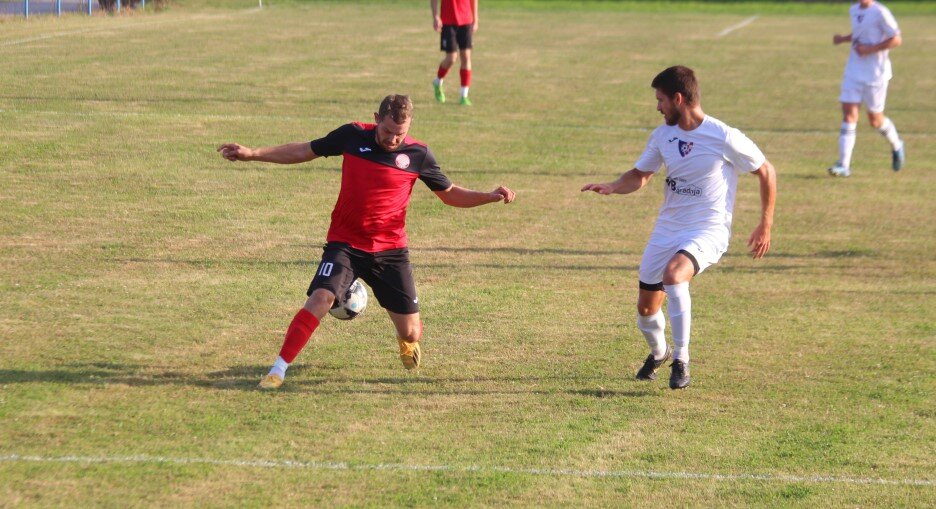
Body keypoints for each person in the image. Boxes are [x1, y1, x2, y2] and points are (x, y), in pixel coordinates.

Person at [218, 95, 516, 390]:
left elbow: (449, 193)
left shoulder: (418, 155)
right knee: (321, 298)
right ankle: (278, 370)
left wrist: (487, 197)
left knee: (412, 333)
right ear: (376, 118)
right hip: (345, 244)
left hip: (390, 251)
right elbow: (305, 151)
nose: (392, 139)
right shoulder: (351, 136)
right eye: (387, 132)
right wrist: (253, 153)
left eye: (400, 133)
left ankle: (406, 343)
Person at [581, 66, 776, 389]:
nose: (658, 107)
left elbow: (766, 171)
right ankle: (660, 352)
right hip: (668, 229)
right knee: (646, 310)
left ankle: (682, 360)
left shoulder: (723, 136)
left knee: (674, 275)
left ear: (678, 98)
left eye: (660, 100)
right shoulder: (663, 136)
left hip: (708, 230)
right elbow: (640, 175)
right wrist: (614, 186)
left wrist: (765, 223)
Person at [828, 0, 904, 177]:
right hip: (853, 70)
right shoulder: (853, 9)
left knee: (875, 120)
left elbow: (896, 39)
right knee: (849, 114)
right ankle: (844, 165)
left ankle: (897, 145)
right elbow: (861, 32)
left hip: (875, 75)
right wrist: (843, 39)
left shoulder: (881, 12)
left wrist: (870, 50)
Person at [431, 0, 478, 106]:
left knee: (466, 57)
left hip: (466, 20)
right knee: (451, 58)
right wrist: (435, 17)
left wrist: (475, 19)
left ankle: (464, 95)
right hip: (448, 21)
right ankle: (438, 82)